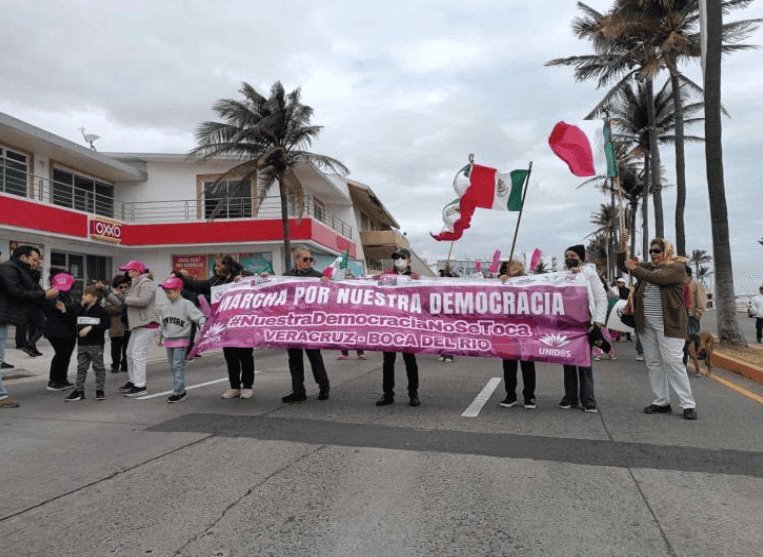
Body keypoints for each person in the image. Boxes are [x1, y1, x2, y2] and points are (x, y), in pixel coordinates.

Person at [619, 237, 698, 420]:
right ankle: (661, 401)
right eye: (651, 251)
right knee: (654, 363)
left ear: (667, 251)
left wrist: (635, 268)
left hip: (669, 324)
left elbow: (658, 279)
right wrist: (623, 247)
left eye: (657, 250)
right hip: (646, 325)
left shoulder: (676, 269)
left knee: (673, 362)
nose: (653, 254)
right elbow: (626, 266)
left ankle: (687, 404)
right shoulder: (649, 268)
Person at [176, 255, 255, 399]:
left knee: (245, 356)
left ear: (228, 266)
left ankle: (248, 386)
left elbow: (256, 281)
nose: (216, 268)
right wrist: (179, 276)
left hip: (242, 325)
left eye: (219, 265)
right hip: (225, 326)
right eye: (215, 266)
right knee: (230, 357)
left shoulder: (243, 276)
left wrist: (243, 279)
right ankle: (235, 387)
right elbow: (195, 284)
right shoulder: (215, 281)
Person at [0, 245, 59, 408]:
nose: (37, 262)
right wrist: (44, 294)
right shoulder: (8, 269)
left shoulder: (22, 271)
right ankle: (1, 396)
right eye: (34, 259)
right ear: (23, 257)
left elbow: (33, 291)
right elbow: (16, 292)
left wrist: (48, 296)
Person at [558, 245, 607, 413]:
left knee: (584, 364)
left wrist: (598, 322)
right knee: (568, 363)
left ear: (580, 257)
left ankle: (588, 399)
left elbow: (601, 299)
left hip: (585, 325)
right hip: (566, 324)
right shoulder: (561, 275)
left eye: (572, 255)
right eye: (566, 255)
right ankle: (570, 397)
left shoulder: (589, 274)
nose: (569, 257)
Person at [101, 260, 160, 398]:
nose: (127, 272)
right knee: (130, 353)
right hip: (138, 325)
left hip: (147, 324)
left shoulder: (147, 283)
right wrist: (106, 292)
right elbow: (122, 302)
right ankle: (133, 382)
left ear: (136, 271)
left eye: (129, 270)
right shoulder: (134, 284)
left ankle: (140, 386)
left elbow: (143, 301)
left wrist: (123, 297)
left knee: (137, 354)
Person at [281, 247, 331, 403]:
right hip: (292, 323)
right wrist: (264, 278)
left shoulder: (317, 276)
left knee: (314, 356)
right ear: (297, 260)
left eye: (311, 259)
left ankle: (324, 386)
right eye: (305, 259)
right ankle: (298, 390)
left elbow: (331, 295)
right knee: (294, 359)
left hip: (310, 323)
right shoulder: (286, 276)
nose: (309, 262)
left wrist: (326, 283)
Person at [376, 248, 421, 407]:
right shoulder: (386, 277)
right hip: (389, 325)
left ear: (409, 260)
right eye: (396, 257)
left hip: (408, 326)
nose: (399, 260)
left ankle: (413, 393)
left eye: (402, 257)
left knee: (410, 361)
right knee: (388, 361)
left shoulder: (415, 278)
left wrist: (418, 281)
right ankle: (388, 394)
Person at [157, 277, 206, 403]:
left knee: (177, 365)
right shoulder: (165, 306)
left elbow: (199, 316)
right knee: (172, 366)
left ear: (178, 290)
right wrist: (159, 336)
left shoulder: (187, 304)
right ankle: (179, 389)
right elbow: (162, 323)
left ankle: (179, 391)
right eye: (166, 292)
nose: (168, 295)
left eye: (170, 292)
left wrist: (202, 324)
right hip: (169, 340)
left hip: (182, 340)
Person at [499, 259, 537, 409]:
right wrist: (501, 281)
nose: (513, 268)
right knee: (508, 365)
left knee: (527, 364)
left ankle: (529, 396)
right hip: (507, 331)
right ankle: (510, 395)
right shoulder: (500, 282)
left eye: (515, 265)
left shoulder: (531, 281)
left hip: (526, 330)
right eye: (509, 266)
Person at [65, 286, 110, 401]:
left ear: (94, 298)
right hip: (82, 344)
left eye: (86, 294)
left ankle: (100, 390)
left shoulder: (101, 310)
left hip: (96, 344)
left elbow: (106, 324)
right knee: (81, 368)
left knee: (98, 367)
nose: (83, 296)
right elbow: (72, 320)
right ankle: (79, 391)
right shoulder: (81, 309)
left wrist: (91, 327)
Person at [43, 268, 78, 391]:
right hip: (58, 330)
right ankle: (54, 381)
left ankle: (62, 379)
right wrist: (69, 309)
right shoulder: (53, 293)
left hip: (69, 329)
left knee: (65, 355)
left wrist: (69, 309)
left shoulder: (66, 294)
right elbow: (60, 309)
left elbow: (73, 308)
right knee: (61, 354)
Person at [105, 275, 130, 373]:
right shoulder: (110, 297)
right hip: (115, 327)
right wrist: (122, 307)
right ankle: (115, 365)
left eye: (125, 287)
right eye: (121, 287)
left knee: (126, 349)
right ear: (116, 288)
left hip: (127, 327)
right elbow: (108, 310)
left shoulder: (129, 298)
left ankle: (125, 365)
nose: (123, 289)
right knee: (115, 349)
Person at [685, 266, 706, 336]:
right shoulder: (683, 283)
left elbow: (701, 299)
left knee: (693, 337)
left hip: (692, 315)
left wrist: (698, 313)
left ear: (686, 273)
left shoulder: (696, 283)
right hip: (684, 314)